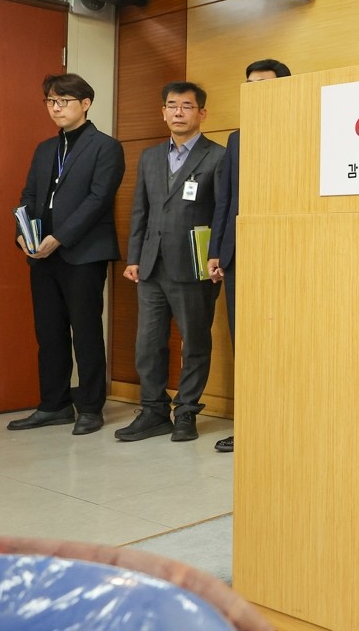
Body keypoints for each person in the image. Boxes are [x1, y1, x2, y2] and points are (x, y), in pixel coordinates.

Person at [8, 74, 125, 435]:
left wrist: (59, 237)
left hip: (83, 252)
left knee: (85, 331)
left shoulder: (105, 147)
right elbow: (29, 195)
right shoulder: (45, 149)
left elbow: (98, 200)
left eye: (64, 101)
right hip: (42, 253)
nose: (56, 108)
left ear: (85, 104)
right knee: (49, 331)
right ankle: (54, 405)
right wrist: (23, 235)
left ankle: (90, 407)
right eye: (51, 101)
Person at [116, 82, 224, 443]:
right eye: (172, 105)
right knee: (148, 343)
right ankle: (154, 411)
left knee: (195, 341)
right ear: (163, 112)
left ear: (202, 113)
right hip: (151, 265)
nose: (179, 112)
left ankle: (187, 411)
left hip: (195, 265)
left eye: (187, 106)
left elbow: (223, 212)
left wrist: (217, 256)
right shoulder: (149, 157)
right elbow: (140, 210)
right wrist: (134, 257)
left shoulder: (218, 157)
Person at [207, 58, 291, 453]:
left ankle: (285, 425)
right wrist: (216, 251)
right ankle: (252, 428)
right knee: (247, 344)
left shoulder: (304, 129)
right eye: (249, 86)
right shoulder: (237, 139)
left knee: (285, 344)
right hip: (240, 257)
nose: (255, 93)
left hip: (287, 255)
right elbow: (225, 199)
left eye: (264, 85)